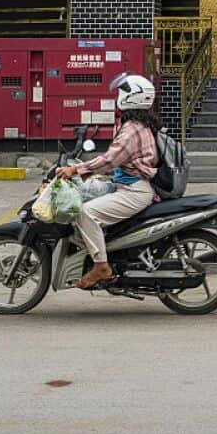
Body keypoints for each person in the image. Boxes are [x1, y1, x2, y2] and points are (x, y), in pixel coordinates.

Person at [56, 73, 159, 289]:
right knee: (83, 195)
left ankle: (101, 265)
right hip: (125, 186)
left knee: (85, 213)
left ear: (131, 98)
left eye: (122, 92)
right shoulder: (137, 125)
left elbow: (109, 161)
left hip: (133, 192)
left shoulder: (131, 130)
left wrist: (75, 169)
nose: (118, 97)